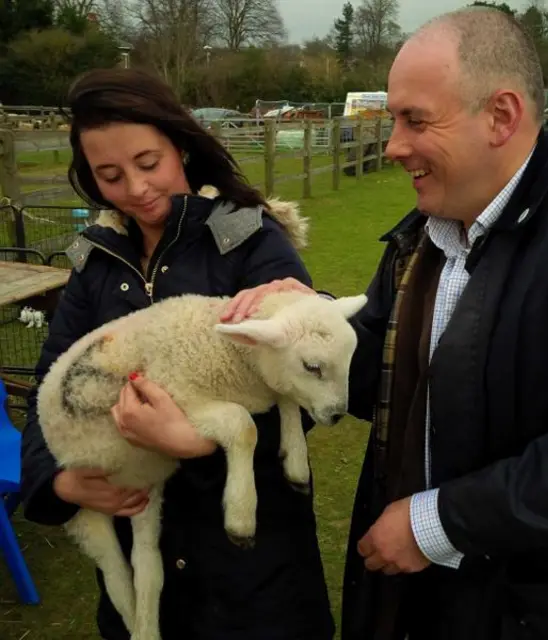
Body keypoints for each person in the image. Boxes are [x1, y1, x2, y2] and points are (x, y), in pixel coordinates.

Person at [221, 7, 548, 640]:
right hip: (410, 600)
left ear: (501, 115)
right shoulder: (423, 237)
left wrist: (436, 524)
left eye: (416, 120)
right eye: (393, 119)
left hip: (541, 610)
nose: (392, 144)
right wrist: (310, 323)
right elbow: (377, 377)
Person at [20, 67, 334, 640]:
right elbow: (50, 379)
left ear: (181, 146)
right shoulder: (94, 264)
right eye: (109, 175)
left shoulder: (249, 241)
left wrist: (199, 442)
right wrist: (55, 482)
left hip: (249, 575)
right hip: (139, 546)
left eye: (148, 163)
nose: (136, 188)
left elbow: (310, 369)